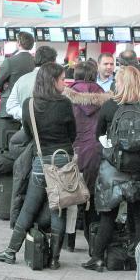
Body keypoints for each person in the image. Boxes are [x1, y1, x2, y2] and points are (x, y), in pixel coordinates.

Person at [0, 62, 76, 270]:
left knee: (29, 207)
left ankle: (11, 251)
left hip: (41, 160)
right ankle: (55, 259)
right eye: (62, 79)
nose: (64, 83)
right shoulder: (65, 104)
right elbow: (72, 134)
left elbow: (29, 135)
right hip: (63, 160)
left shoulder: (29, 104)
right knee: (58, 210)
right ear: (52, 81)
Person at [82, 66, 140, 272]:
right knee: (137, 216)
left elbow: (99, 136)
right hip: (138, 171)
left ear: (120, 83)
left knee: (108, 215)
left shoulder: (109, 105)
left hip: (113, 172)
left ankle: (96, 258)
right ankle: (136, 258)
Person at [62, 62, 110, 247]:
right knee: (92, 195)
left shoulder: (67, 96)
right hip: (96, 152)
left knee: (70, 197)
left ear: (76, 74)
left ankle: (70, 241)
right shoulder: (103, 97)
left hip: (72, 149)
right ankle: (93, 242)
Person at [0, 32, 36, 148]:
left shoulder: (10, 61)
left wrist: (5, 87)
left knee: (5, 144)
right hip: (30, 107)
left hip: (9, 110)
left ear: (18, 44)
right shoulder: (35, 62)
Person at [6, 46, 58, 121]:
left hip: (26, 128)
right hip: (50, 129)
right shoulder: (55, 80)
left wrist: (27, 114)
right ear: (53, 62)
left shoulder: (21, 80)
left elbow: (10, 106)